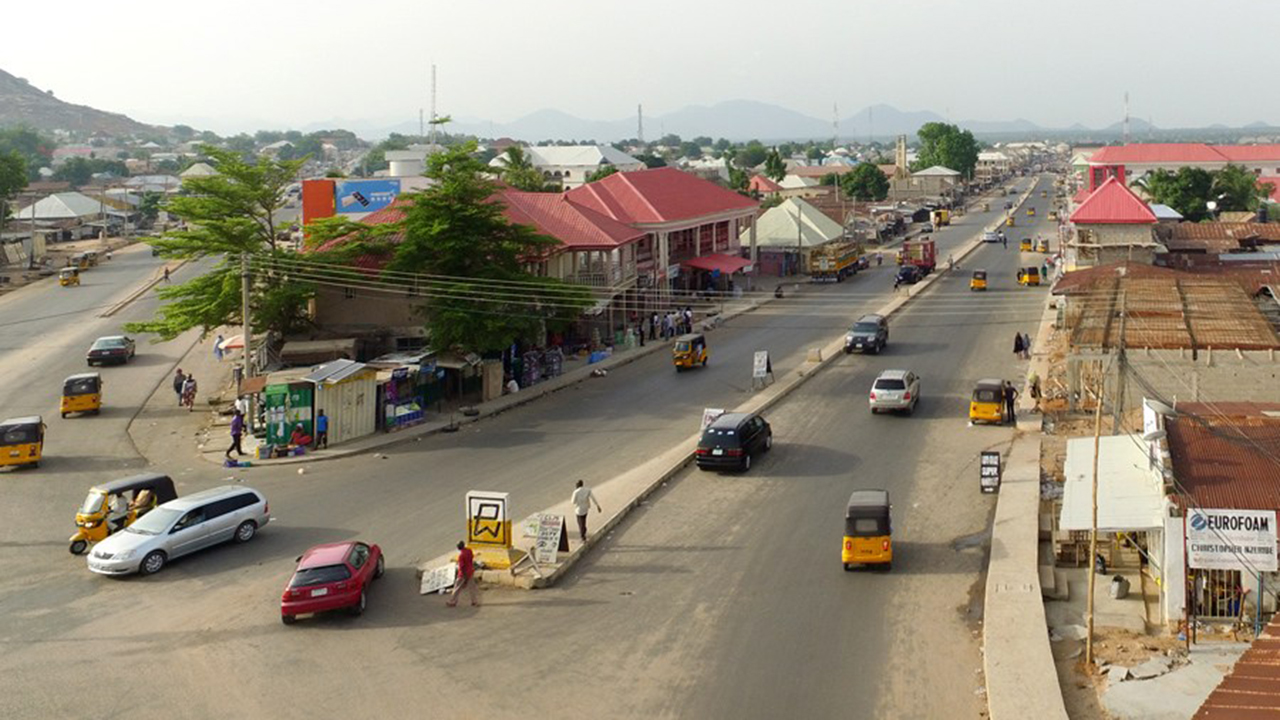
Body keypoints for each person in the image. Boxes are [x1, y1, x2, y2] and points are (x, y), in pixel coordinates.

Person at [446, 541, 479, 607]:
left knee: (457, 588)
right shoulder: (469, 551)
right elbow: (471, 559)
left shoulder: (461, 555)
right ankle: (474, 601)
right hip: (470, 571)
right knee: (472, 587)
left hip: (463, 574)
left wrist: (465, 577)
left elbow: (462, 567)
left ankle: (453, 601)